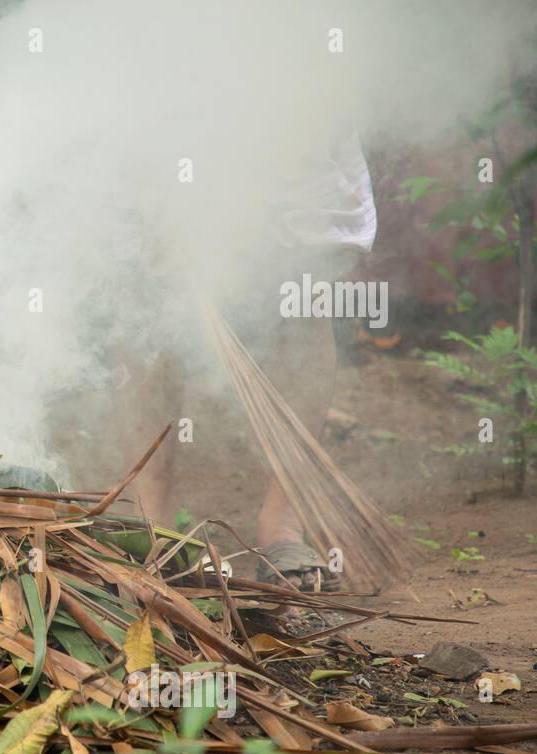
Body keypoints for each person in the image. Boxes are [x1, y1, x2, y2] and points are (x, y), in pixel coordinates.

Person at [123, 131, 378, 591]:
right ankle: (151, 519)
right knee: (153, 287)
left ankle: (284, 522)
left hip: (286, 103)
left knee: (304, 284)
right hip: (168, 99)